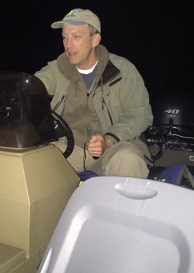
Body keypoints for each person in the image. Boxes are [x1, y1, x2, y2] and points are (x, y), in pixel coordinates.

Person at [35, 8, 153, 178]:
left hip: (111, 149)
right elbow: (33, 86)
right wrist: (9, 94)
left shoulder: (123, 70)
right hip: (66, 149)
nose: (68, 44)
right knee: (29, 157)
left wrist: (109, 138)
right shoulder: (56, 69)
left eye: (76, 37)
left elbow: (140, 115)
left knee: (128, 159)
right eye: (64, 36)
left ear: (95, 39)